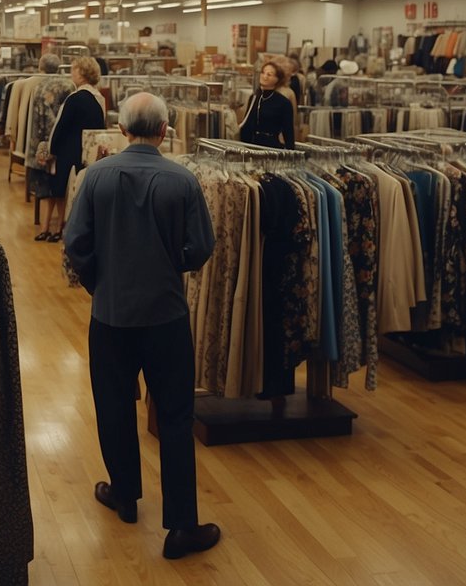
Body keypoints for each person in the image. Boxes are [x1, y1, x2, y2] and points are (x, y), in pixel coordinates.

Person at [63, 92, 220, 561]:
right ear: (165, 131)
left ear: (122, 129)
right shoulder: (182, 180)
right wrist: (173, 265)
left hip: (110, 313)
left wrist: (101, 284)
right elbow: (202, 247)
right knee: (174, 416)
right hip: (166, 315)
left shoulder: (95, 177)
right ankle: (182, 527)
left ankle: (125, 494)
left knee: (113, 405)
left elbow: (75, 244)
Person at [35, 56, 105, 241]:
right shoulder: (99, 98)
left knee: (60, 189)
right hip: (87, 150)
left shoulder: (75, 98)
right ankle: (60, 228)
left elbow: (61, 127)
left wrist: (52, 150)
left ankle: (57, 229)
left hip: (68, 150)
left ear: (82, 74)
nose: (71, 73)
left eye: (75, 70)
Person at [239, 61, 295, 149]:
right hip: (251, 147)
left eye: (269, 74)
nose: (264, 76)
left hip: (271, 148)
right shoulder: (254, 98)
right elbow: (247, 125)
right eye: (263, 72)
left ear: (277, 79)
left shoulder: (283, 103)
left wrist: (291, 156)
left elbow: (288, 132)